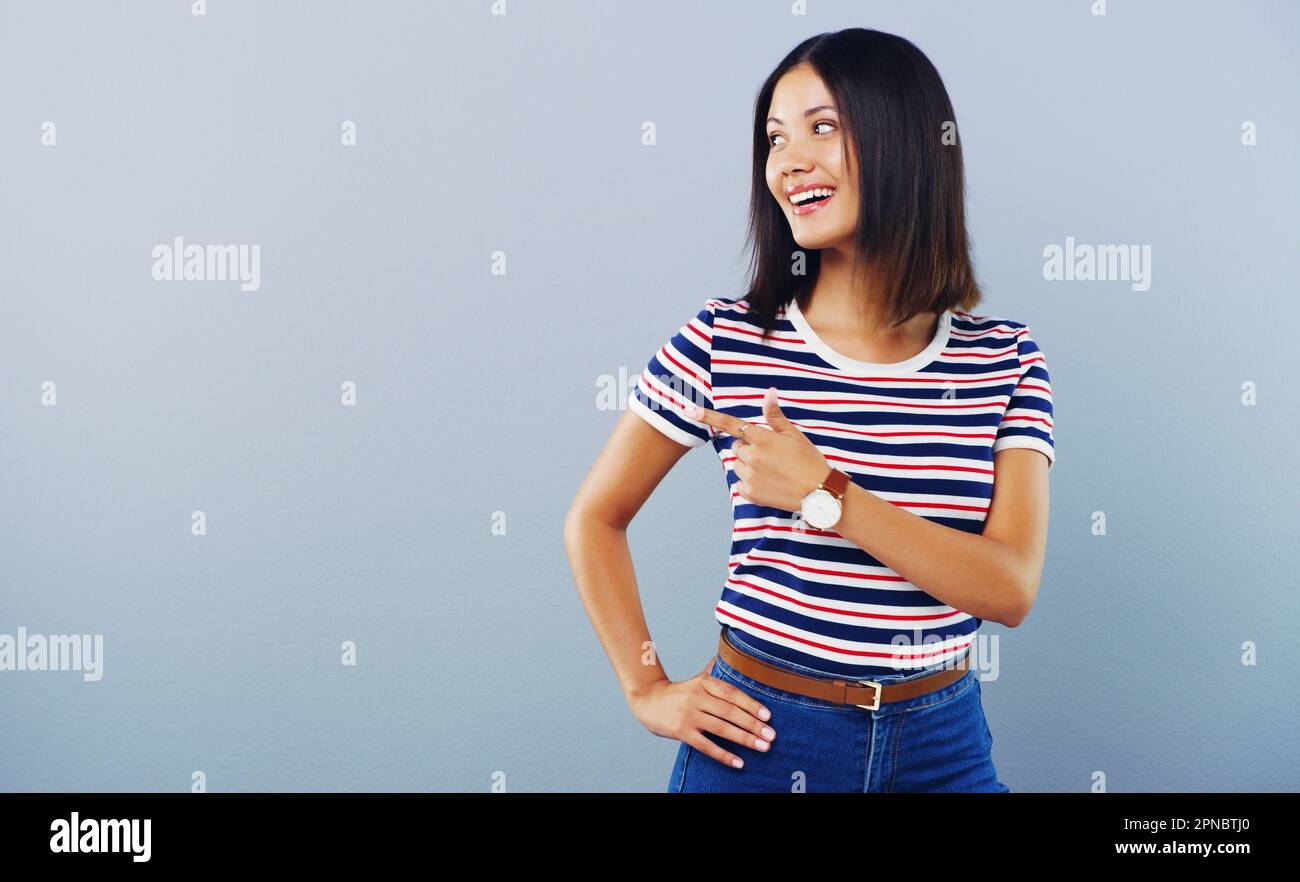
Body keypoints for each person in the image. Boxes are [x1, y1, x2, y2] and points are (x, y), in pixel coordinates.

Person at [564, 28, 1053, 793]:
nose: (788, 161)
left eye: (823, 127)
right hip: (760, 739)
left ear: (904, 139)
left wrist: (826, 495)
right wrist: (647, 688)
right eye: (775, 138)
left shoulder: (1006, 359)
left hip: (942, 744)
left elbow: (1010, 587)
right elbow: (594, 519)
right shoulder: (727, 340)